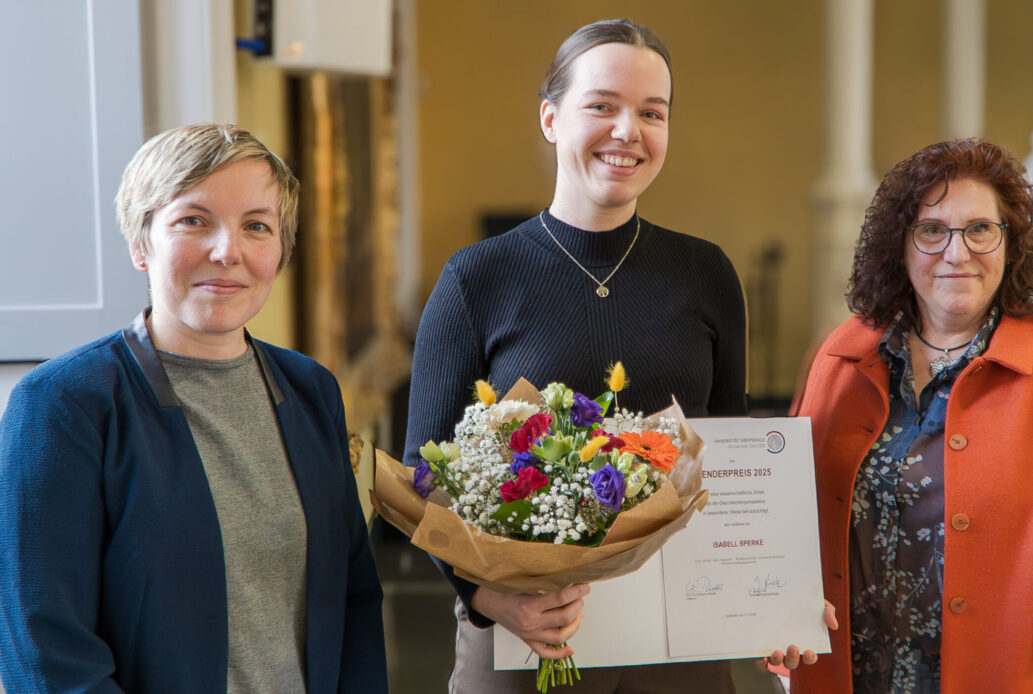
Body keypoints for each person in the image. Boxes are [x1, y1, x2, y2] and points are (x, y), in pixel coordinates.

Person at [403, 17, 830, 694]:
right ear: (550, 118)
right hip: (529, 642)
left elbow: (731, 457)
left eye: (651, 113)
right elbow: (420, 477)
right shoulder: (475, 279)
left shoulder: (706, 274)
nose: (628, 130)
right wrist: (491, 600)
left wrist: (770, 601)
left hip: (682, 652)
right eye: (601, 105)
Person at [0, 124, 388, 693]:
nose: (228, 251)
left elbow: (352, 596)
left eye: (257, 226)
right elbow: (46, 654)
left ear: (280, 251)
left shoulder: (311, 390)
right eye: (193, 220)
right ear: (140, 243)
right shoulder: (63, 405)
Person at [790, 138, 1033, 693]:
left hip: (1013, 676)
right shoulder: (842, 356)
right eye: (931, 230)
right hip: (854, 675)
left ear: (1011, 243)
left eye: (980, 229)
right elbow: (791, 522)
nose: (957, 252)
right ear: (898, 247)